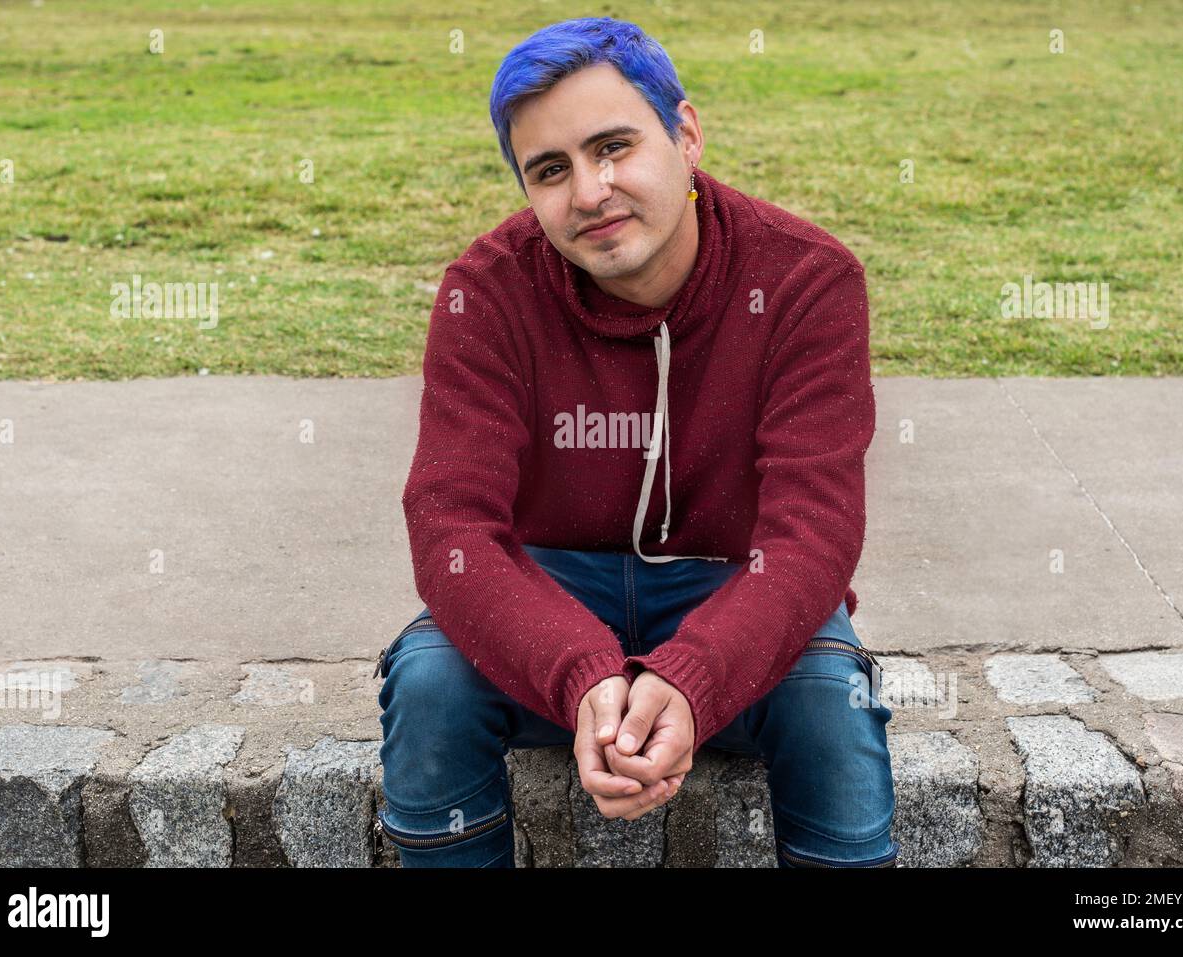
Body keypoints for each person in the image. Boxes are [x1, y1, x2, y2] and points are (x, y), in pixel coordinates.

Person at [375, 16, 897, 868]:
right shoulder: (487, 290)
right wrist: (581, 671)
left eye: (613, 146)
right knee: (430, 684)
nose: (589, 192)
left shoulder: (806, 279)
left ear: (685, 134)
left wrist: (692, 675)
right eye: (551, 170)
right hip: (550, 590)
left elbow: (815, 536)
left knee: (831, 704)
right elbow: (452, 533)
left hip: (736, 588)